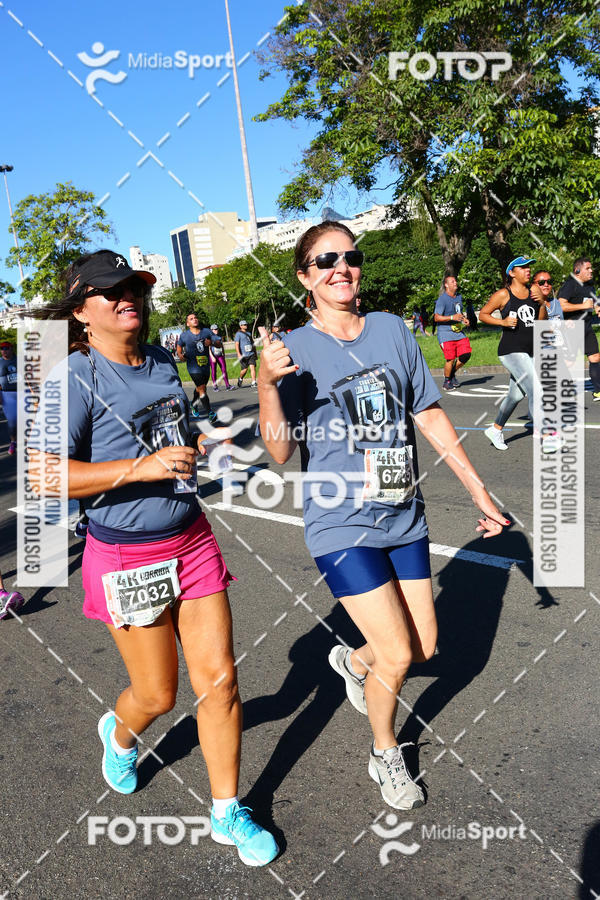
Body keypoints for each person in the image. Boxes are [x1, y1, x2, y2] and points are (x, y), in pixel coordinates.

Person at [30, 249, 278, 866]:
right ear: (81, 311)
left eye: (133, 288)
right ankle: (119, 736)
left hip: (191, 538)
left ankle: (226, 811)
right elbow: (42, 475)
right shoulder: (74, 377)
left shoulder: (162, 359)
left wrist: (209, 441)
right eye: (111, 291)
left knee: (220, 681)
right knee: (158, 695)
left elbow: (177, 430)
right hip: (125, 555)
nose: (128, 299)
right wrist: (139, 468)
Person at [258, 221, 509, 811]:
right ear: (305, 277)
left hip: (402, 512)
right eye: (325, 261)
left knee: (423, 646)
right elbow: (280, 450)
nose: (340, 268)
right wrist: (268, 384)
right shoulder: (295, 349)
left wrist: (478, 490)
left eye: (349, 256)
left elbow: (428, 413)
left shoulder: (393, 329)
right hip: (341, 521)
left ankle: (353, 660)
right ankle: (385, 753)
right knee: (396, 654)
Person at [478, 256, 546, 451]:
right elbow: (483, 315)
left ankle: (495, 429)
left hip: (530, 351)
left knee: (515, 395)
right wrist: (502, 322)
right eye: (523, 267)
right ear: (512, 272)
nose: (528, 270)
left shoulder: (534, 292)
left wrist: (542, 303)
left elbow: (541, 323)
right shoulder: (503, 294)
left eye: (529, 267)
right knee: (536, 390)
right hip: (510, 351)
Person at [557, 257, 600, 401]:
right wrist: (583, 306)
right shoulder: (570, 285)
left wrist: (597, 307)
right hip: (571, 328)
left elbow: (593, 301)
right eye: (587, 268)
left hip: (586, 327)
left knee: (595, 357)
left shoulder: (589, 285)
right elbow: (561, 305)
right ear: (577, 270)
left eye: (591, 268)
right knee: (569, 362)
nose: (591, 271)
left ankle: (598, 391)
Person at [176, 314, 218, 424]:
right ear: (187, 324)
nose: (194, 319)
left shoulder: (206, 332)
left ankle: (193, 404)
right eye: (191, 319)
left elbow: (219, 343)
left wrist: (212, 343)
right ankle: (210, 413)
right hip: (193, 367)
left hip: (205, 366)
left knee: (200, 388)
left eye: (195, 318)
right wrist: (180, 355)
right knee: (202, 388)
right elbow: (179, 346)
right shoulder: (184, 335)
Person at [434, 275, 472, 391]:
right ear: (446, 285)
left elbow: (459, 313)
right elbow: (436, 318)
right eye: (452, 281)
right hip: (445, 333)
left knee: (466, 354)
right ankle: (447, 382)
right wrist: (452, 317)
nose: (455, 283)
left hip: (458, 332)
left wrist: (464, 319)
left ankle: (451, 374)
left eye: (455, 281)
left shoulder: (458, 297)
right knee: (450, 359)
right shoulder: (442, 300)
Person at [0, 340, 18, 455]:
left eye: (6, 348)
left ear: (12, 349)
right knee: (12, 421)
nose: (4, 350)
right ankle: (13, 442)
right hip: (7, 395)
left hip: (23, 392)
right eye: (2, 348)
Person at [209, 324, 233, 391]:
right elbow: (208, 348)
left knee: (224, 369)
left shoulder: (219, 336)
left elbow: (222, 346)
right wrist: (212, 357)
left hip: (220, 355)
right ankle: (215, 386)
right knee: (214, 370)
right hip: (213, 356)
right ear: (211, 330)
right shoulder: (209, 337)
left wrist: (223, 354)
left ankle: (227, 385)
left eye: (217, 329)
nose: (216, 330)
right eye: (215, 329)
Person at [234, 320, 257, 388]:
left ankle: (253, 382)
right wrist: (238, 354)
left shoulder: (249, 333)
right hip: (243, 355)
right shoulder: (238, 334)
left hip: (251, 353)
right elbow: (236, 344)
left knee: (252, 367)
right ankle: (240, 378)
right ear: (240, 326)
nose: (245, 325)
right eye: (244, 325)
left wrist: (255, 353)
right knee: (245, 370)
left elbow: (252, 343)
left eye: (246, 324)